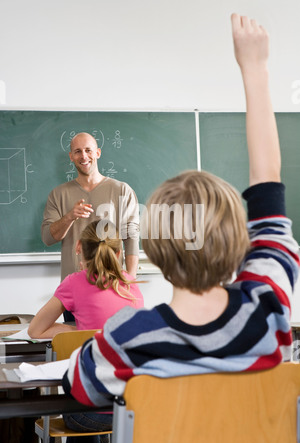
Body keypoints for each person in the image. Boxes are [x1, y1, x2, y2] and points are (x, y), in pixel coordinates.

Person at [62, 13, 300, 421]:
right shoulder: (267, 314)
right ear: (240, 244)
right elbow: (268, 184)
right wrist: (255, 70)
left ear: (154, 247)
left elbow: (78, 388)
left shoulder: (127, 339)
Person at [41, 132, 139, 321]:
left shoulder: (122, 190)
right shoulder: (58, 194)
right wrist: (70, 216)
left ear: (98, 153)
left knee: (112, 345)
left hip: (113, 287)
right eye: (77, 151)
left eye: (88, 150)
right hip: (73, 292)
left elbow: (132, 237)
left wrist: (130, 282)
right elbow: (47, 237)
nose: (83, 156)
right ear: (71, 156)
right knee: (74, 348)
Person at [28, 220, 144, 339]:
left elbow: (35, 331)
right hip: (132, 357)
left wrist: (83, 331)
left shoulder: (73, 283)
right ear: (118, 253)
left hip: (95, 355)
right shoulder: (131, 283)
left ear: (78, 246)